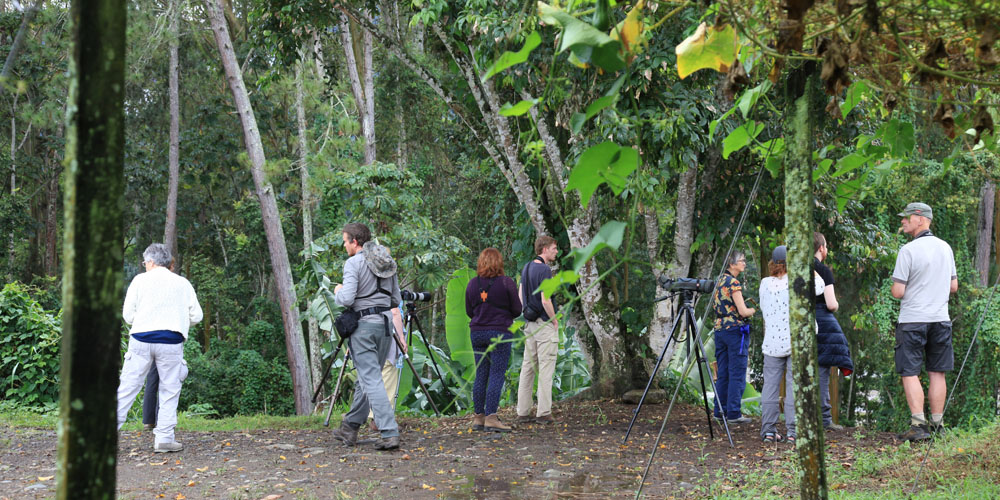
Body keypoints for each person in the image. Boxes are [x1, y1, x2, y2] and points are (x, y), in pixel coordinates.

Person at [116, 243, 203, 453]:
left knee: (128, 387)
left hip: (140, 339)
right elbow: (197, 316)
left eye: (145, 262)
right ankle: (164, 438)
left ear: (152, 262)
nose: (144, 265)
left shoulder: (139, 280)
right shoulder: (182, 283)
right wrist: (178, 321)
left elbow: (128, 316)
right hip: (171, 340)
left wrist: (146, 321)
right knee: (170, 389)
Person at [331, 223, 402, 450]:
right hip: (384, 326)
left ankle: (389, 432)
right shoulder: (386, 261)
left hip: (363, 327)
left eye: (345, 241)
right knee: (366, 379)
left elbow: (348, 298)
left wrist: (337, 292)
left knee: (371, 379)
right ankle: (350, 427)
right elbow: (395, 300)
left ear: (355, 241)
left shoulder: (354, 263)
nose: (344, 245)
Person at [891, 202, 958, 442]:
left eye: (906, 218)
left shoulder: (908, 251)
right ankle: (938, 425)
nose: (903, 222)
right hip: (940, 319)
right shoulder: (945, 248)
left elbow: (898, 291)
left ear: (920, 219)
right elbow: (953, 286)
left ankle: (918, 425)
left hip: (912, 321)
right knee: (937, 372)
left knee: (910, 372)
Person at [466, 248, 522, 432]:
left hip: (478, 333)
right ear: (499, 263)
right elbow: (517, 310)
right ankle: (491, 417)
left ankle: (478, 417)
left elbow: (469, 311)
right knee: (496, 374)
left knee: (481, 373)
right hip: (499, 333)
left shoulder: (473, 284)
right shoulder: (506, 283)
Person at [516, 235, 560, 424]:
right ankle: (543, 413)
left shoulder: (526, 268)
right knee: (546, 367)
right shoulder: (544, 270)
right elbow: (545, 299)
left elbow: (520, 294)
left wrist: (526, 310)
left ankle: (523, 411)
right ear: (544, 249)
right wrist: (554, 320)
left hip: (529, 323)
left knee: (528, 367)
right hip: (543, 324)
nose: (556, 252)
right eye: (553, 248)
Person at [813, 232, 854, 431]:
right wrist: (836, 304)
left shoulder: (794, 270)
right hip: (821, 323)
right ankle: (824, 419)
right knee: (822, 371)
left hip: (798, 322)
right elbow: (831, 304)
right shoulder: (823, 271)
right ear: (821, 248)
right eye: (826, 245)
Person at [712, 250, 756, 424]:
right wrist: (755, 310)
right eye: (742, 261)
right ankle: (734, 413)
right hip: (735, 331)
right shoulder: (733, 283)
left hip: (719, 329)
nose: (744, 263)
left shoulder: (719, 281)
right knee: (737, 372)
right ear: (732, 264)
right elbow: (743, 311)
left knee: (722, 372)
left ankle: (719, 411)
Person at [759, 246, 795, 443]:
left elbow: (764, 308)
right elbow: (820, 287)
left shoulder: (765, 283)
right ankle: (792, 432)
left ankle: (769, 431)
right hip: (794, 341)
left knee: (770, 388)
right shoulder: (796, 282)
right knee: (793, 387)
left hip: (772, 341)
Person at [142, 257, 179, 432]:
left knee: (153, 379)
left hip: (148, 337)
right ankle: (162, 422)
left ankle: (149, 420)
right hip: (166, 338)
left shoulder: (147, 283)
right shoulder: (173, 284)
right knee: (168, 381)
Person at [366, 308, 406, 431]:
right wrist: (401, 338)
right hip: (386, 332)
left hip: (366, 332)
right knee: (387, 375)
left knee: (373, 375)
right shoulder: (388, 288)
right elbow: (394, 312)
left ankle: (372, 416)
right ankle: (381, 420)